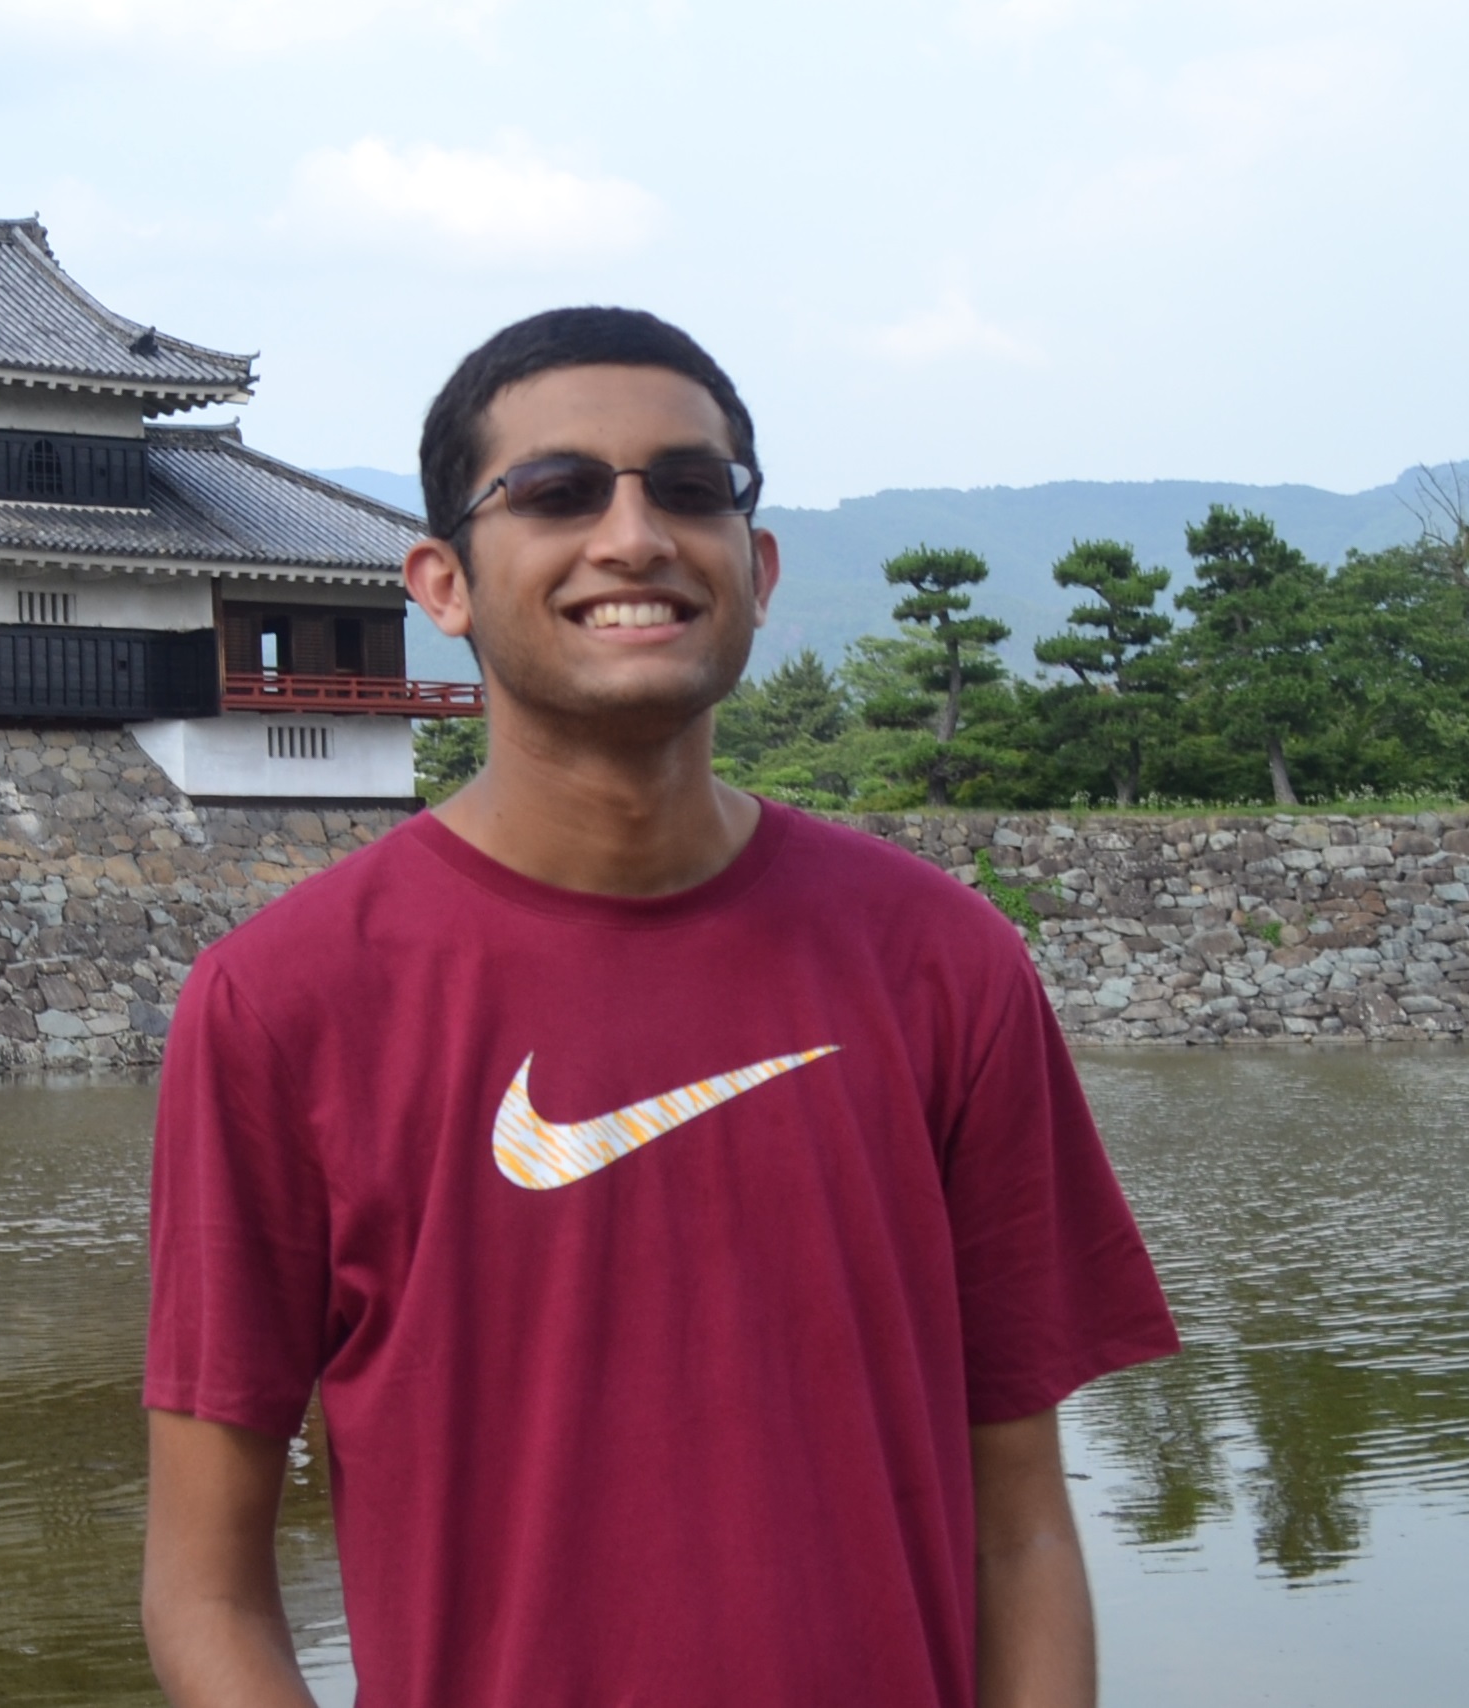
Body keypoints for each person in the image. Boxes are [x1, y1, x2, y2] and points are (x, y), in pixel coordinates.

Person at [141, 306, 1176, 1708]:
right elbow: (205, 1588)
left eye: (687, 490)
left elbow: (1027, 1530)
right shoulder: (285, 1004)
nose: (633, 536)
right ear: (441, 581)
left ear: (751, 567)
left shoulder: (943, 965)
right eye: (559, 493)